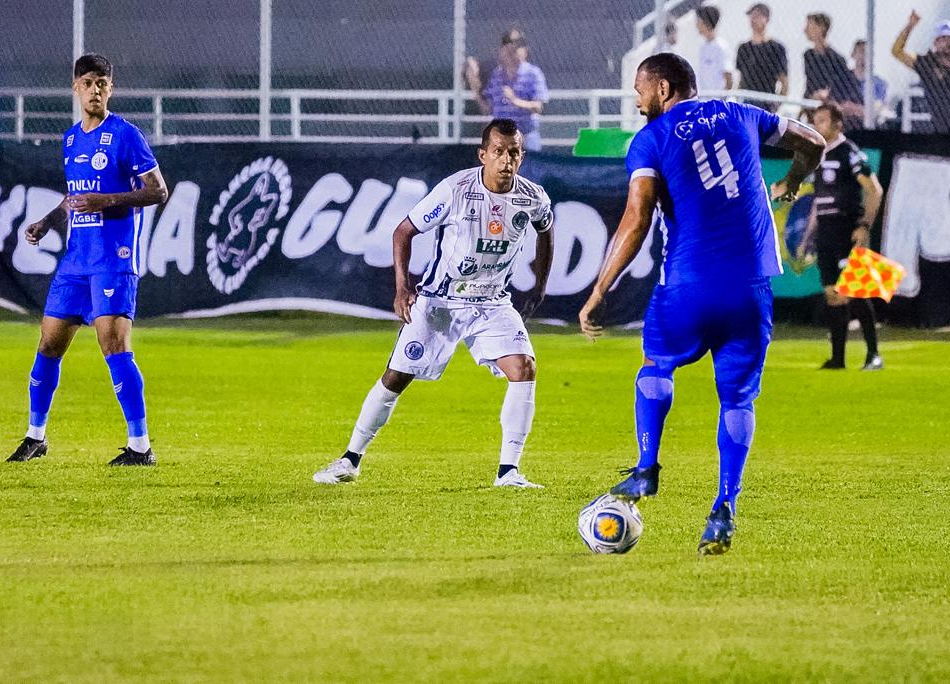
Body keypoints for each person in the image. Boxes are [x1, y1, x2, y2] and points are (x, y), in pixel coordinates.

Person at [578, 53, 825, 555]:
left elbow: (636, 217)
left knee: (656, 364)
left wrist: (600, 289)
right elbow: (813, 142)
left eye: (640, 89)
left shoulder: (650, 139)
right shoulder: (740, 114)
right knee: (738, 400)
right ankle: (723, 509)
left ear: (663, 88)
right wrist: (795, 179)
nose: (637, 98)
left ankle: (647, 468)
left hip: (690, 283)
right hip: (753, 285)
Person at [313, 118, 554, 488]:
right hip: (441, 302)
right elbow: (403, 231)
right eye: (499, 152)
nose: (507, 160)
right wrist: (401, 288)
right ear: (483, 155)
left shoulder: (532, 196)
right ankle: (349, 459)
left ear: (522, 156)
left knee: (524, 369)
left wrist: (539, 285)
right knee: (396, 378)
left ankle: (509, 472)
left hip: (492, 304)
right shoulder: (456, 190)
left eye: (515, 153)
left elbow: (546, 229)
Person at [6, 54, 168, 466]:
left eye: (103, 84)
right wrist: (48, 219)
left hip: (113, 259)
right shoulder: (71, 139)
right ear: (76, 87)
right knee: (48, 344)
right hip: (76, 261)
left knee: (114, 346)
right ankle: (36, 436)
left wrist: (110, 200)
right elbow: (76, 195)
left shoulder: (126, 135)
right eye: (89, 82)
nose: (96, 90)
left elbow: (158, 191)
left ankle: (140, 446)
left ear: (110, 90)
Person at [799, 103, 884, 370]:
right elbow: (817, 202)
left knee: (856, 292)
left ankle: (873, 355)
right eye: (815, 121)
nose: (817, 125)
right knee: (832, 293)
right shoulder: (818, 155)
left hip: (847, 228)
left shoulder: (850, 153)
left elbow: (874, 190)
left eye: (823, 120)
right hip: (826, 231)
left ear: (838, 124)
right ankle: (838, 359)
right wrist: (806, 238)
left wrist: (864, 226)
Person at [467, 31, 549, 151]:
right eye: (507, 49)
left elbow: (538, 107)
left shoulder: (533, 74)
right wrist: (473, 83)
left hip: (525, 138)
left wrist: (515, 100)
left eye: (515, 49)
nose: (511, 53)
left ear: (525, 51)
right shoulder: (497, 75)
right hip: (502, 140)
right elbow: (487, 109)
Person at [892, 11, 950, 134]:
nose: (948, 43)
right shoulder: (927, 63)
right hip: (942, 126)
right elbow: (897, 51)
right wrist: (910, 26)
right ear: (936, 42)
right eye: (944, 38)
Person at [803, 13, 863, 127]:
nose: (805, 30)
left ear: (821, 28)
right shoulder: (808, 55)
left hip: (829, 107)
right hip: (811, 104)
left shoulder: (836, 58)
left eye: (809, 26)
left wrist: (827, 94)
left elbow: (843, 86)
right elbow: (809, 82)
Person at [736, 3, 788, 111]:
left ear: (767, 19)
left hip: (766, 101)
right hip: (746, 101)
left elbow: (784, 81)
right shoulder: (743, 48)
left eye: (757, 16)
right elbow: (741, 79)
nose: (753, 20)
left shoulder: (776, 48)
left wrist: (777, 104)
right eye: (752, 16)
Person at [696, 6, 735, 92]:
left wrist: (722, 99)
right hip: (705, 98)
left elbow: (728, 76)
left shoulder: (721, 47)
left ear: (707, 23)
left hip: (717, 100)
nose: (696, 25)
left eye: (699, 21)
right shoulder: (703, 47)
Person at [849, 40, 889, 124]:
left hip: (866, 123)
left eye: (868, 53)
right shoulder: (842, 78)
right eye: (861, 51)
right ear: (852, 55)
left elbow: (877, 107)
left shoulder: (879, 83)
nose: (864, 56)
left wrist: (854, 108)